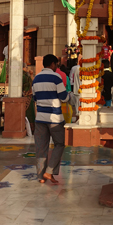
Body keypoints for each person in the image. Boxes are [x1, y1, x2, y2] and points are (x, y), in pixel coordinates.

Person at [32, 54, 69, 185]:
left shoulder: (36, 78)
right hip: (55, 118)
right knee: (60, 144)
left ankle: (42, 176)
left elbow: (35, 98)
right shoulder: (56, 77)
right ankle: (49, 171)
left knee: (41, 147)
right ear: (53, 64)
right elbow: (64, 97)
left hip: (40, 117)